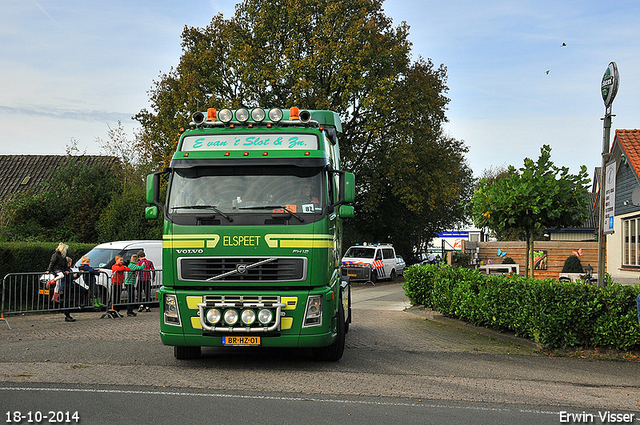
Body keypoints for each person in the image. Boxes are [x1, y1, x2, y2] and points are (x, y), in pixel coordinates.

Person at [60, 256, 78, 322]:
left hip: (67, 286)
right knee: (66, 300)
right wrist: (73, 276)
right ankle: (67, 315)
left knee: (67, 300)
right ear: (69, 263)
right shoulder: (66, 269)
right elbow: (67, 279)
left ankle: (67, 314)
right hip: (66, 286)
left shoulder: (66, 269)